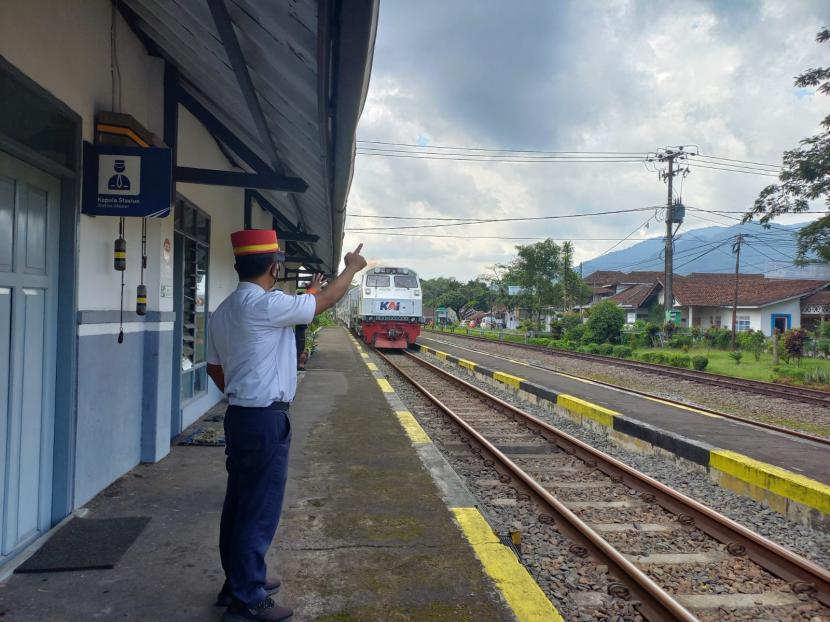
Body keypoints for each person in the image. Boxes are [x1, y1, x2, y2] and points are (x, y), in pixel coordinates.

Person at [206, 230, 366, 621]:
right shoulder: (266, 304)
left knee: (240, 503)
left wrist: (244, 394)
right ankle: (248, 599)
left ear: (237, 265)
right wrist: (351, 270)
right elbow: (326, 301)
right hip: (263, 419)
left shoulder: (225, 310)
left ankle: (237, 583)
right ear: (274, 268)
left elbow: (214, 368)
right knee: (258, 509)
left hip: (242, 416)